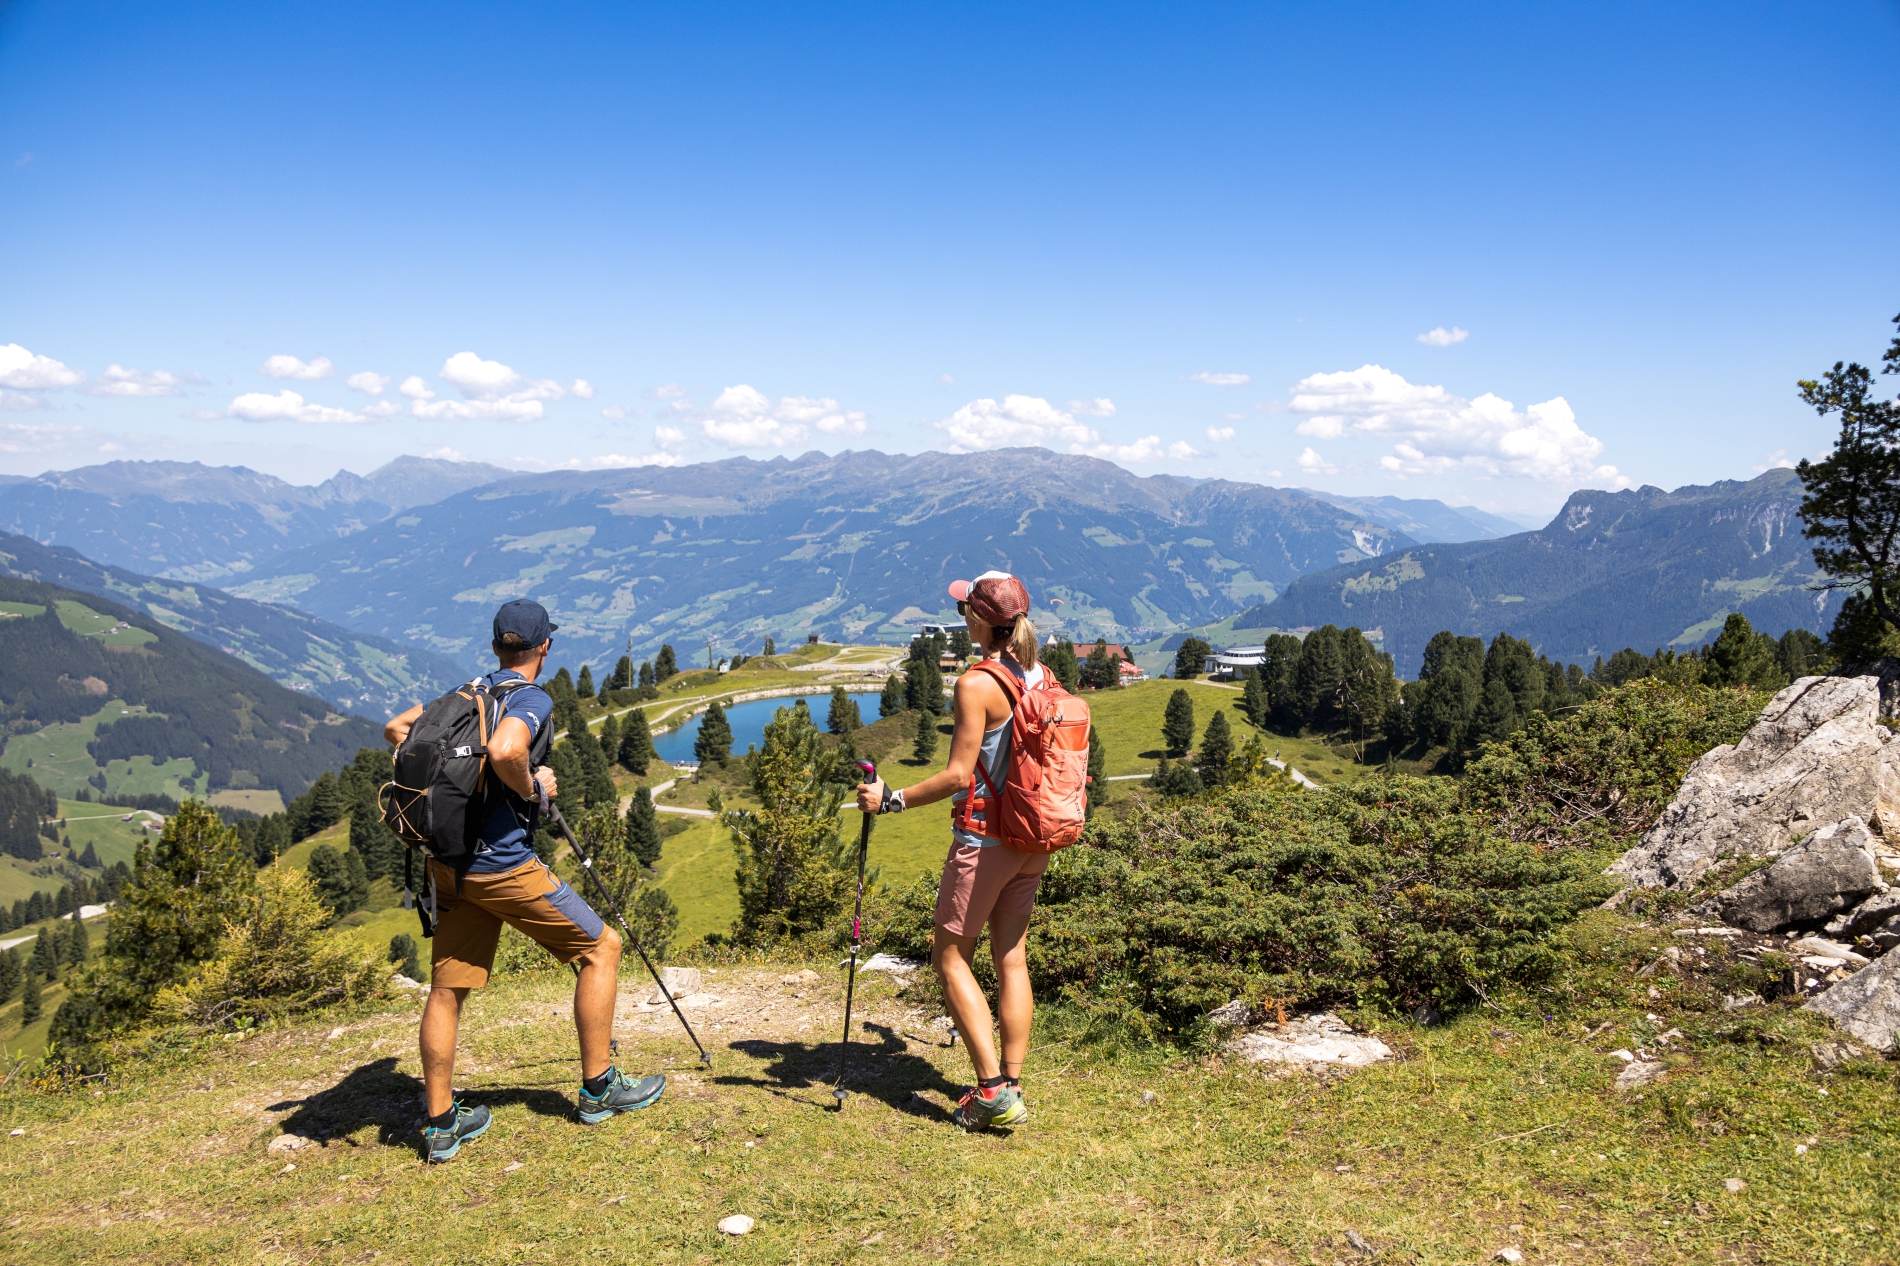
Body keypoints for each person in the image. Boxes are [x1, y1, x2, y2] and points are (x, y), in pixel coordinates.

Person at [383, 599, 665, 1163]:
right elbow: (506, 748)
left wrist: (459, 783)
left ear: (495, 647)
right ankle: (599, 1089)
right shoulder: (529, 698)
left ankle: (441, 1124)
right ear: (545, 647)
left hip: (451, 865)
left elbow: (396, 729)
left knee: (447, 989)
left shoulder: (466, 693)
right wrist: (531, 786)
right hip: (502, 867)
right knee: (601, 949)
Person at [855, 570, 1047, 1130]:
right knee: (1011, 957)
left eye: (966, 608)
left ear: (980, 619)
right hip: (1034, 837)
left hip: (986, 840)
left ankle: (992, 1094)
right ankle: (1010, 1079)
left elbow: (959, 775)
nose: (962, 616)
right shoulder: (1040, 673)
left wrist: (891, 799)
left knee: (951, 958)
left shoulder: (976, 684)